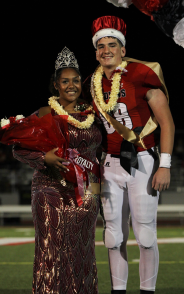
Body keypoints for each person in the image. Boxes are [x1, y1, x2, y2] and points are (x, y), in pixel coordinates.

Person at [83, 16, 175, 294]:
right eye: (100, 46)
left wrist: (166, 165)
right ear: (95, 50)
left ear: (123, 48)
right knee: (112, 237)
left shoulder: (141, 73)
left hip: (143, 160)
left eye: (112, 44)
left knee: (146, 235)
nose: (106, 50)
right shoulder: (92, 83)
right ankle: (118, 291)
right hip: (109, 164)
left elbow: (167, 123)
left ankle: (148, 291)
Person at [13, 47, 102, 294]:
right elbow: (18, 149)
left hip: (85, 194)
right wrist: (44, 158)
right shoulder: (44, 113)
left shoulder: (91, 115)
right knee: (51, 250)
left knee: (83, 250)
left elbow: (95, 158)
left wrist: (96, 196)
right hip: (49, 191)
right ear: (56, 84)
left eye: (75, 80)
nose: (71, 85)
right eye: (65, 81)